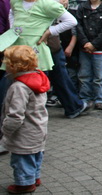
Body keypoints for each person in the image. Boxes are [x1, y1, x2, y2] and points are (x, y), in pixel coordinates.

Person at [0, 0, 89, 120]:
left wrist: (50, 31)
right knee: (9, 93)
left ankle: (30, 129)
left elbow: (71, 21)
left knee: (32, 98)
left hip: (35, 56)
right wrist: (14, 30)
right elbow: (12, 13)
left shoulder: (47, 4)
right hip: (15, 54)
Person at [0, 45, 49, 194]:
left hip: (24, 132)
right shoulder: (38, 79)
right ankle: (34, 177)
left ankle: (24, 184)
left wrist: (5, 131)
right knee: (35, 155)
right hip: (38, 129)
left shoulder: (19, 87)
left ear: (14, 66)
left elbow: (16, 116)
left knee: (21, 160)